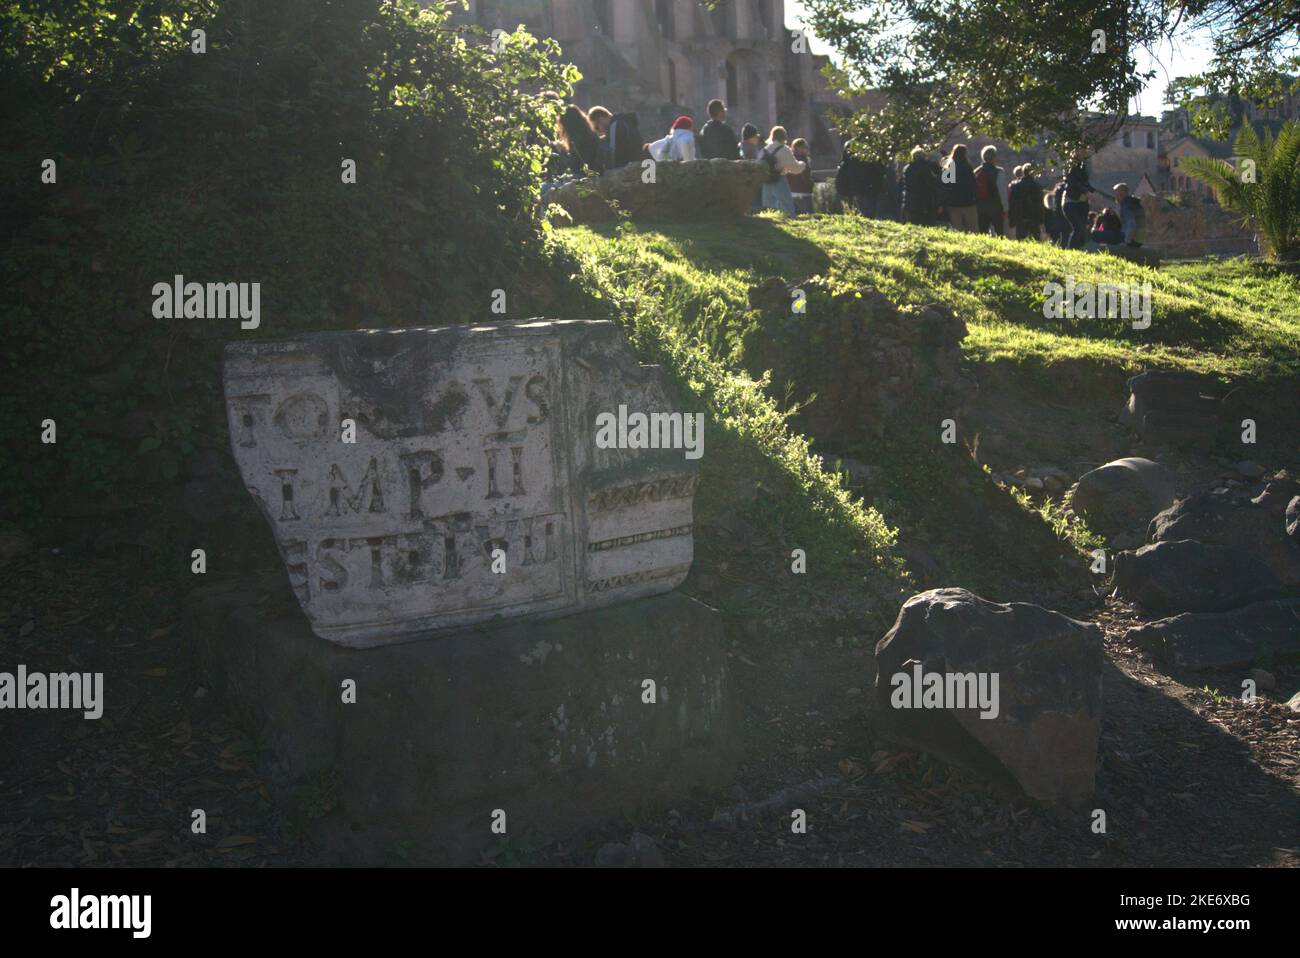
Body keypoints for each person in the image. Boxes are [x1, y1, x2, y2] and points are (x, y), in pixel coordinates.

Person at [759, 126, 806, 215]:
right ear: (784, 136)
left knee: (769, 209)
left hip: (766, 181)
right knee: (787, 207)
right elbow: (795, 169)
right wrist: (803, 164)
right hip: (779, 180)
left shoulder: (764, 150)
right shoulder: (784, 149)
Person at [589, 105, 644, 170]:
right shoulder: (624, 121)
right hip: (637, 165)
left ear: (601, 119)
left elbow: (614, 156)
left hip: (627, 170)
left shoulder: (614, 126)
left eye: (597, 127)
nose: (599, 131)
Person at [1063, 153, 1098, 249]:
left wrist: (1092, 191)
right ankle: (1071, 249)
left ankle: (1079, 249)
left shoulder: (1083, 167)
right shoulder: (1070, 167)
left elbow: (1085, 183)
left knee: (1082, 228)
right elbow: (1074, 182)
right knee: (1078, 228)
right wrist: (1086, 191)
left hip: (1082, 203)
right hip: (1071, 202)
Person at [556, 104, 604, 175]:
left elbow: (573, 165)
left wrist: (561, 152)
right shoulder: (590, 135)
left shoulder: (577, 141)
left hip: (584, 176)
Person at [941, 143, 978, 231]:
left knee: (957, 228)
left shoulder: (949, 167)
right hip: (968, 202)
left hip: (953, 202)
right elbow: (972, 184)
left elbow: (945, 184)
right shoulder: (967, 167)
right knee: (973, 228)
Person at [901, 146, 941, 225]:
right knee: (927, 223)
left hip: (910, 200)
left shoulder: (907, 168)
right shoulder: (927, 168)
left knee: (913, 223)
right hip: (925, 201)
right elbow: (932, 184)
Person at [973, 145, 1005, 236]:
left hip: (980, 206)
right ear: (994, 157)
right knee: (999, 232)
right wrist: (1005, 208)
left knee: (983, 232)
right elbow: (1002, 192)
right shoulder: (999, 171)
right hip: (995, 206)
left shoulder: (976, 171)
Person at [1008, 163, 1044, 240]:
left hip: (1020, 216)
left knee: (1021, 239)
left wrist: (1012, 219)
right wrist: (1041, 220)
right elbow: (1040, 204)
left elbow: (1012, 203)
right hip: (1034, 216)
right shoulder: (1037, 186)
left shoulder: (1015, 185)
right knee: (1035, 239)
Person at [788, 138, 815, 214]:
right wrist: (811, 184)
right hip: (803, 192)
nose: (807, 149)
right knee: (808, 214)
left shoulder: (790, 158)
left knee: (796, 214)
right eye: (805, 147)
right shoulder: (803, 159)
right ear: (799, 148)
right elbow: (806, 176)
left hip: (792, 192)